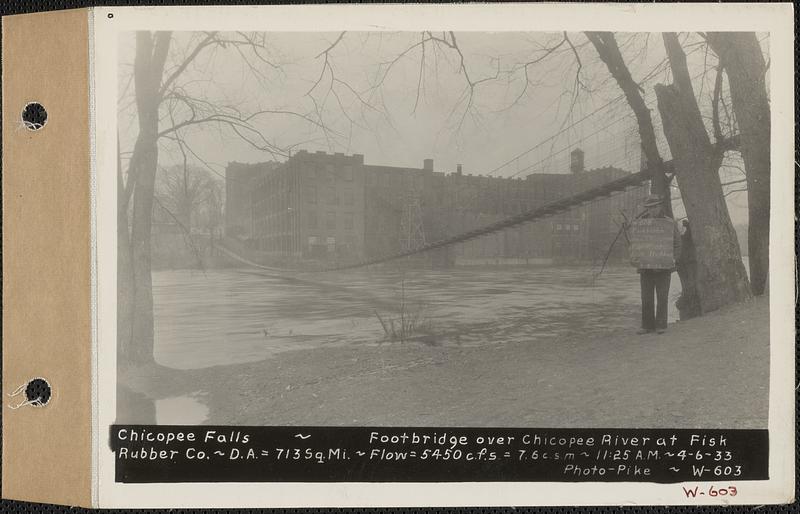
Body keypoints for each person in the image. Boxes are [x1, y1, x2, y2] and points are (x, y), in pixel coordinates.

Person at [635, 194, 681, 335]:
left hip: (663, 268)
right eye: (649, 208)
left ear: (659, 206)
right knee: (646, 297)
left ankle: (661, 325)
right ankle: (647, 326)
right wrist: (636, 256)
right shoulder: (641, 224)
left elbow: (677, 244)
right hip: (646, 268)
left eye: (654, 207)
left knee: (662, 297)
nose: (652, 210)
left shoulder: (669, 223)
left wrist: (673, 259)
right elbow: (636, 244)